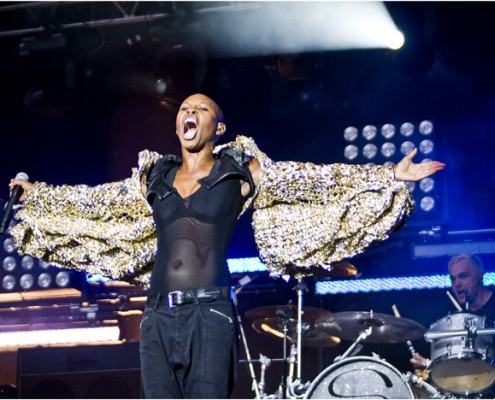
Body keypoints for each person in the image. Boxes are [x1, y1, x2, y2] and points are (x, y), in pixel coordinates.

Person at [8, 93, 445, 399]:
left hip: (210, 311)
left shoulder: (241, 168)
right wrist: (38, 193)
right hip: (157, 315)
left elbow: (312, 178)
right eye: (183, 108)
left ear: (218, 126)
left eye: (200, 108)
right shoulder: (154, 175)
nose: (189, 112)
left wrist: (386, 175)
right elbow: (97, 200)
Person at [410, 253, 495, 372]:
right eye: (453, 279)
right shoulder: (454, 319)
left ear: (480, 277)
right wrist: (429, 364)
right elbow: (463, 365)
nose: (457, 284)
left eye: (463, 276)